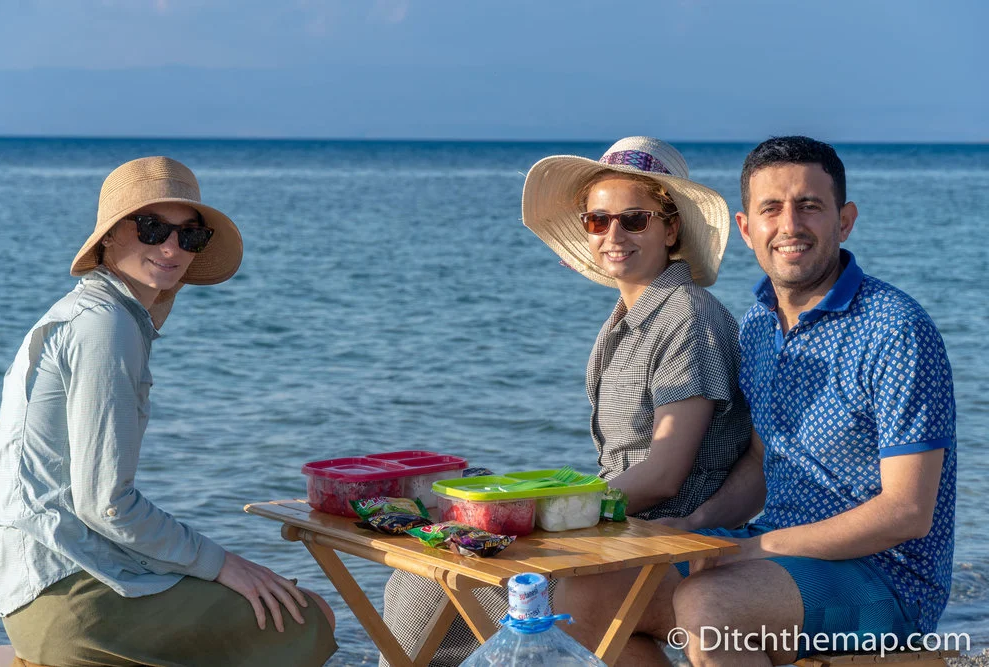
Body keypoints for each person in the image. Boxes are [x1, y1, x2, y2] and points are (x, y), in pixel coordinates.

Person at [559, 136, 957, 666]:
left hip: (886, 576)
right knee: (589, 593)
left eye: (809, 206)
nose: (790, 225)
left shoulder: (895, 329)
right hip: (778, 549)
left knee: (710, 604)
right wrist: (694, 526)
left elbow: (906, 512)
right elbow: (760, 462)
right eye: (772, 208)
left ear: (844, 221)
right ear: (747, 229)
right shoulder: (758, 326)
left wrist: (753, 550)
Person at [381, 136, 752, 666]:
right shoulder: (627, 320)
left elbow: (664, 476)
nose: (613, 235)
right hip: (618, 534)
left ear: (671, 229)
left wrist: (537, 514)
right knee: (431, 566)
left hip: (664, 542)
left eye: (634, 220)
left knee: (434, 583)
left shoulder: (687, 316)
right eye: (598, 221)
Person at [0, 157, 338, 666]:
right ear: (110, 236)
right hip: (71, 597)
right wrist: (223, 563)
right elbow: (106, 505)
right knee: (306, 616)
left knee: (276, 602)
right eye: (152, 228)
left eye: (189, 235)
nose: (171, 248)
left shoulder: (95, 314)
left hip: (46, 587)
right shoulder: (104, 327)